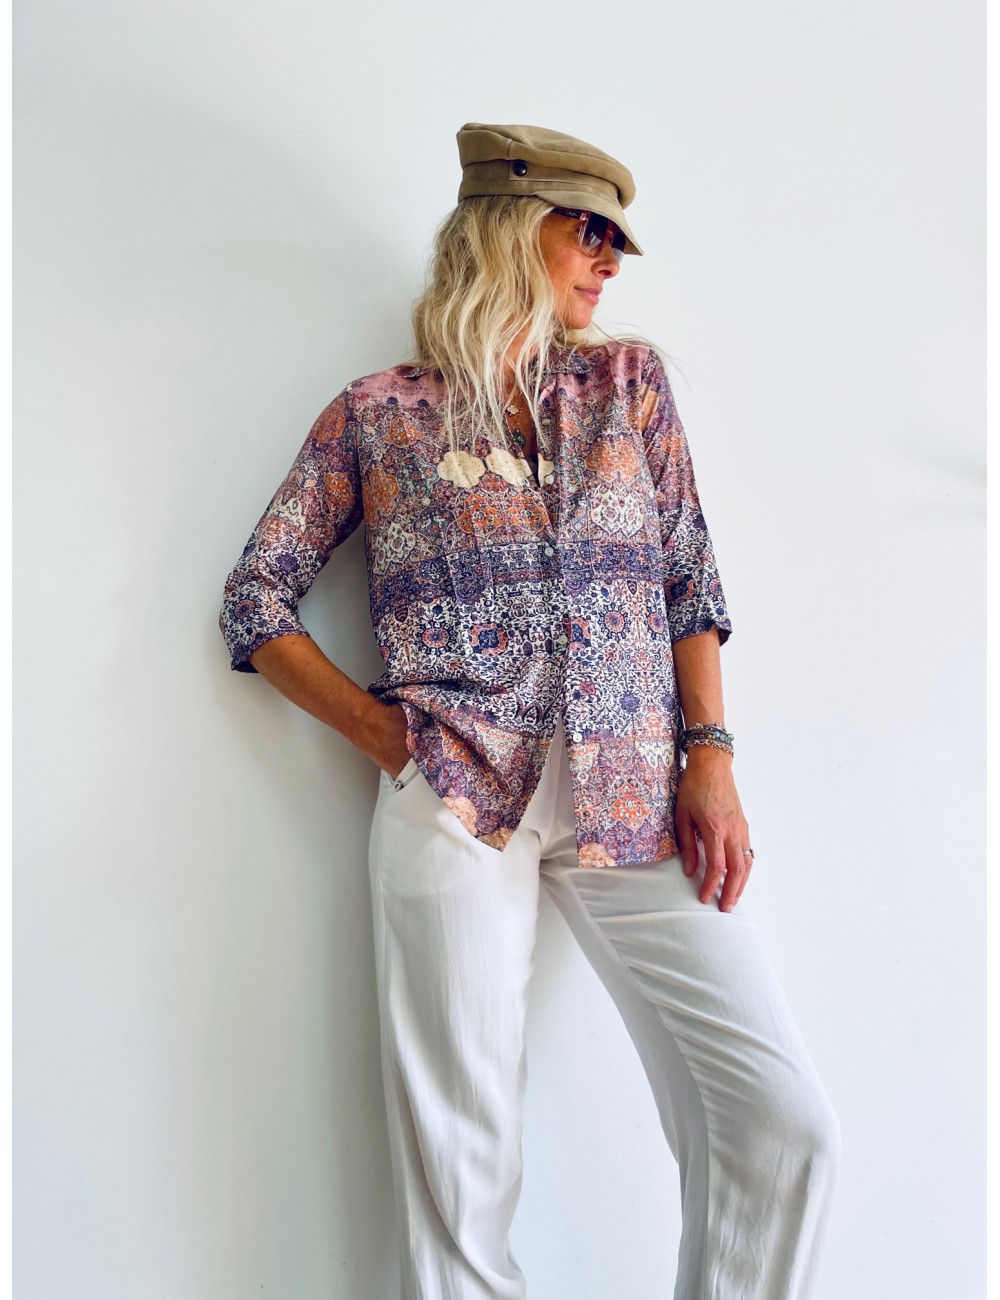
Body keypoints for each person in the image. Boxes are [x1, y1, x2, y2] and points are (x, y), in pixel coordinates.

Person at [219, 122, 840, 1299]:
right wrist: (389, 739)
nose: (609, 260)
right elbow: (255, 597)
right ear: (509, 229)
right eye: (587, 230)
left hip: (633, 794)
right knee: (462, 1181)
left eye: (617, 240)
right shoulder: (378, 414)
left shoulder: (629, 387)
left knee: (782, 1120)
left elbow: (687, 578)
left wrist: (709, 756)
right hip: (456, 803)